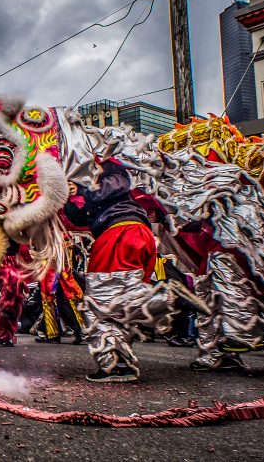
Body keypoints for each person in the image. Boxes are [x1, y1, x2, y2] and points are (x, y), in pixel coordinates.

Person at [63, 159, 207, 383]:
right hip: (127, 235)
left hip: (120, 234)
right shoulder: (98, 184)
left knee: (100, 304)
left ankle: (167, 297)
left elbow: (111, 187)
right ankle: (118, 363)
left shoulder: (112, 171)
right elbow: (80, 217)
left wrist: (82, 188)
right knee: (115, 306)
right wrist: (66, 197)